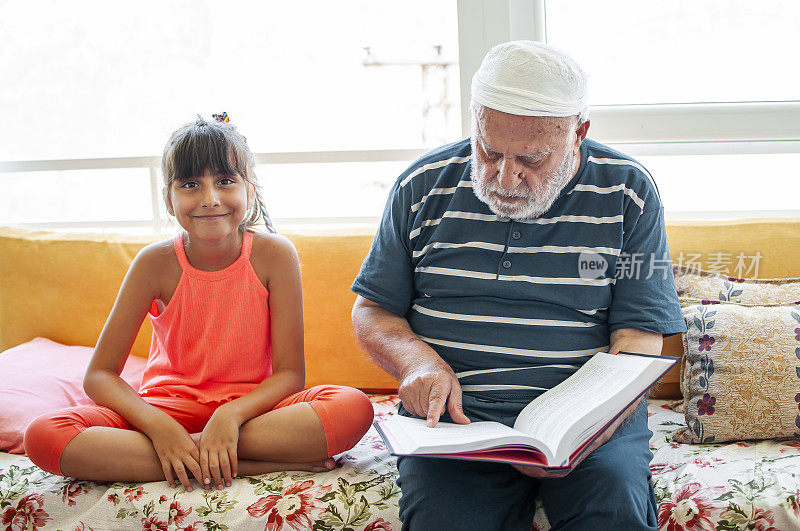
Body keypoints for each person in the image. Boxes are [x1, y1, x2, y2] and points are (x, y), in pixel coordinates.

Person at [351, 41, 686, 530]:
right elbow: (372, 310)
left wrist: (590, 424)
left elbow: (638, 335)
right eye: (488, 152)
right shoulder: (422, 186)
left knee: (614, 511)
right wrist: (417, 363)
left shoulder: (627, 192)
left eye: (532, 160)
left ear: (579, 132)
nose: (505, 178)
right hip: (455, 422)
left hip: (586, 421)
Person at [24, 116, 374, 492]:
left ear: (250, 191)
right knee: (44, 435)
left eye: (225, 181)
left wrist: (229, 415)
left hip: (253, 415)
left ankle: (194, 452)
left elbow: (290, 375)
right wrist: (160, 428)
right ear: (169, 200)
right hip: (166, 410)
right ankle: (241, 463)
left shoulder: (275, 254)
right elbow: (100, 375)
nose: (210, 198)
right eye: (191, 184)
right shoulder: (153, 263)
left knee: (353, 407)